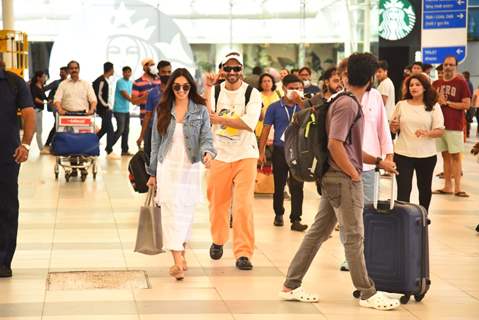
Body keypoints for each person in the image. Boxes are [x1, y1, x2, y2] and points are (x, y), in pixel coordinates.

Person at [279, 53, 400, 311]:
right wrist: (354, 174)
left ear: (347, 76)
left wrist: (377, 162)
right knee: (355, 235)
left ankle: (291, 283)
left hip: (336, 177)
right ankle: (367, 292)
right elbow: (335, 144)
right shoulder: (348, 105)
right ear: (370, 78)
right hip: (342, 179)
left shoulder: (342, 101)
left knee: (318, 233)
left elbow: (349, 147)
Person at [146, 68, 216, 281]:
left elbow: (206, 137)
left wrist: (208, 153)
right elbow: (155, 143)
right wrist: (152, 173)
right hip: (167, 165)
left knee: (185, 211)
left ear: (191, 87)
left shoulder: (200, 110)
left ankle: (181, 253)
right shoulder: (163, 108)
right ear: (171, 88)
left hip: (190, 167)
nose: (181, 90)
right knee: (170, 210)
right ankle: (177, 260)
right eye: (176, 86)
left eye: (185, 86)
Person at [204, 52, 262, 271]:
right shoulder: (215, 91)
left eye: (236, 69)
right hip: (219, 154)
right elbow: (205, 115)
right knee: (217, 202)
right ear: (222, 70)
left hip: (245, 154)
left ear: (242, 71)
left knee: (243, 205)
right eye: (227, 69)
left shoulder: (251, 93)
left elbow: (249, 123)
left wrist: (220, 119)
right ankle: (218, 240)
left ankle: (243, 253)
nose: (232, 73)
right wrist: (207, 87)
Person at [258, 74, 307, 231]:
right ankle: (278, 213)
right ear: (284, 88)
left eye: (299, 88)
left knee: (297, 185)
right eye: (292, 88)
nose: (296, 91)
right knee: (279, 184)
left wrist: (302, 104)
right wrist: (261, 151)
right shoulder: (274, 107)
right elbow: (265, 130)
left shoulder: (305, 106)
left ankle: (296, 218)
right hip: (280, 149)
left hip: (299, 151)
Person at [0, 65, 36, 278]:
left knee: (6, 209)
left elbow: (29, 114)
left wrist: (26, 145)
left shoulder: (14, 82)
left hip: (7, 157)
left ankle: (3, 261)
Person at [390, 74, 444, 211]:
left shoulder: (434, 106)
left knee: (424, 189)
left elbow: (440, 131)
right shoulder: (401, 105)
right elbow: (392, 127)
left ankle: (423, 217)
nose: (413, 87)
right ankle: (403, 219)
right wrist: (393, 126)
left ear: (425, 87)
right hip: (403, 154)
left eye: (417, 84)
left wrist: (427, 133)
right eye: (411, 85)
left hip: (426, 156)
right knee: (403, 190)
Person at [432, 56, 471, 198]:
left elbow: (467, 104)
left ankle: (458, 188)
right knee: (445, 156)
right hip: (440, 126)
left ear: (456, 67)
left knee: (455, 156)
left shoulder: (461, 83)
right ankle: (447, 186)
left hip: (455, 125)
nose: (448, 67)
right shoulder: (436, 84)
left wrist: (447, 103)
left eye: (451, 65)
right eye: (445, 64)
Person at [54, 60, 97, 177]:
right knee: (70, 143)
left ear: (79, 69)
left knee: (83, 143)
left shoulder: (86, 84)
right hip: (67, 116)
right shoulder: (63, 84)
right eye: (71, 68)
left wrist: (92, 109)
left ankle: (83, 167)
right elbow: (57, 100)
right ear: (68, 70)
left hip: (83, 117)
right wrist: (60, 110)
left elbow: (93, 99)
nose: (74, 70)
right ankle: (73, 168)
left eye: (76, 68)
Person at [137, 60, 172, 162]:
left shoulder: (176, 92)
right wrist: (141, 136)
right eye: (164, 72)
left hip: (169, 131)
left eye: (169, 72)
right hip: (152, 131)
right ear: (158, 73)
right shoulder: (153, 93)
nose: (167, 75)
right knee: (150, 159)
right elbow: (148, 115)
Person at [93, 62, 119, 159]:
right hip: (104, 109)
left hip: (108, 108)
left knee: (104, 128)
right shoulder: (101, 81)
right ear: (110, 69)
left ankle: (92, 141)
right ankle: (109, 150)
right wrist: (106, 105)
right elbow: (98, 95)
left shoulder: (107, 80)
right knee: (110, 129)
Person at [131, 58, 161, 125]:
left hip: (160, 118)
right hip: (145, 119)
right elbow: (133, 101)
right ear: (145, 67)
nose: (154, 67)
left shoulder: (160, 80)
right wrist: (144, 97)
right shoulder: (137, 82)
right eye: (151, 65)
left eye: (154, 64)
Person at [44, 66, 68, 150]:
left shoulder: (69, 83)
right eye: (60, 72)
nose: (60, 74)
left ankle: (53, 143)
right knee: (57, 124)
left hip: (65, 107)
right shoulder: (56, 83)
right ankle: (48, 144)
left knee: (60, 125)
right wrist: (48, 100)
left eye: (62, 72)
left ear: (67, 73)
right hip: (56, 106)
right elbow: (44, 89)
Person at [112, 66, 133, 156]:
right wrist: (134, 101)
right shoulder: (120, 82)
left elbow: (133, 94)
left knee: (126, 131)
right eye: (126, 72)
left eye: (129, 72)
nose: (127, 73)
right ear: (123, 73)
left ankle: (124, 151)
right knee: (120, 130)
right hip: (118, 110)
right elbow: (124, 94)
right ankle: (109, 146)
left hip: (126, 110)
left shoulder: (130, 83)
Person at [255, 73, 282, 137]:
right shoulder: (257, 95)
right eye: (264, 81)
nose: (267, 83)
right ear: (260, 84)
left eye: (269, 81)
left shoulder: (279, 94)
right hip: (260, 128)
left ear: (273, 83)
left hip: (276, 129)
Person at [30, 70, 49, 154]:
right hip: (35, 110)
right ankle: (41, 149)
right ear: (38, 78)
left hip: (39, 110)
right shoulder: (33, 86)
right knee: (38, 130)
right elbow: (35, 99)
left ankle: (27, 147)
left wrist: (49, 100)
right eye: (43, 76)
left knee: (37, 130)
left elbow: (44, 97)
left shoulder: (41, 86)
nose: (45, 78)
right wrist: (44, 102)